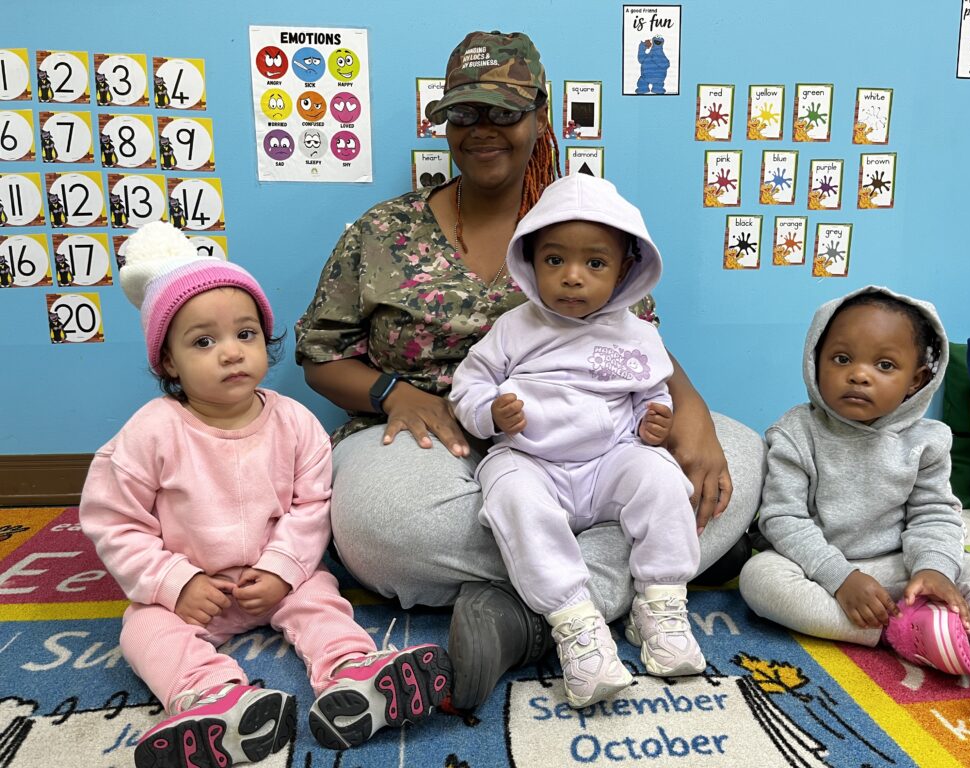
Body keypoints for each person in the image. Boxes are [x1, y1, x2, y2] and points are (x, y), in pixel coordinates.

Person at [295, 29, 765, 711]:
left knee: (739, 460)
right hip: (433, 448)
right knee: (378, 525)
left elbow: (636, 342)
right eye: (464, 113)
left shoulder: (585, 222)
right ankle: (595, 593)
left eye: (504, 111)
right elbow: (319, 354)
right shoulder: (381, 231)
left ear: (541, 117)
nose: (482, 129)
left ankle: (533, 615)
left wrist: (689, 415)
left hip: (593, 441)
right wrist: (390, 392)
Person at [79, 222, 452, 767]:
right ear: (168, 361)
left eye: (246, 334)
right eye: (203, 342)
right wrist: (174, 582)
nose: (231, 353)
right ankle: (212, 699)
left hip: (278, 580)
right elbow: (114, 522)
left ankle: (353, 674)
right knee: (141, 629)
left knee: (320, 598)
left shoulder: (294, 423)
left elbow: (311, 505)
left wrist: (282, 569)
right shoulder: (150, 433)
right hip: (194, 594)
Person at [449, 174, 705, 707]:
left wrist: (653, 421)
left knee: (663, 478)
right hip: (531, 459)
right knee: (511, 494)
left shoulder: (637, 333)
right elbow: (468, 386)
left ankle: (660, 603)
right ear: (529, 262)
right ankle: (575, 623)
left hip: (608, 461)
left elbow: (650, 393)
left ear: (624, 272)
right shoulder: (514, 327)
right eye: (554, 260)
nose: (572, 276)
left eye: (594, 263)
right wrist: (491, 412)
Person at [739, 286, 970, 740]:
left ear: (916, 380)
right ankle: (898, 631)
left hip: (902, 568)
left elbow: (934, 514)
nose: (859, 375)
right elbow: (782, 519)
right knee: (760, 577)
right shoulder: (796, 432)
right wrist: (840, 577)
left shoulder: (929, 440)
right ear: (815, 362)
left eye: (885, 365)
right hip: (824, 574)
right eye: (841, 359)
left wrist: (934, 569)